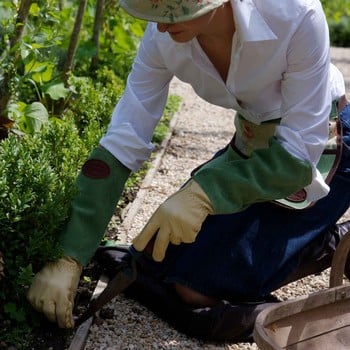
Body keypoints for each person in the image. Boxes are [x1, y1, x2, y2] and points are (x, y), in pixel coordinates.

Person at [28, 0, 350, 342]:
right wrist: (70, 253)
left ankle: (329, 247)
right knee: (151, 261)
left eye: (178, 11)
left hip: (325, 150)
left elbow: (299, 151)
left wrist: (203, 193)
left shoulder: (296, 13)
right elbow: (124, 139)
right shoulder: (160, 36)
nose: (163, 26)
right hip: (253, 147)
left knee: (198, 292)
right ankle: (301, 242)